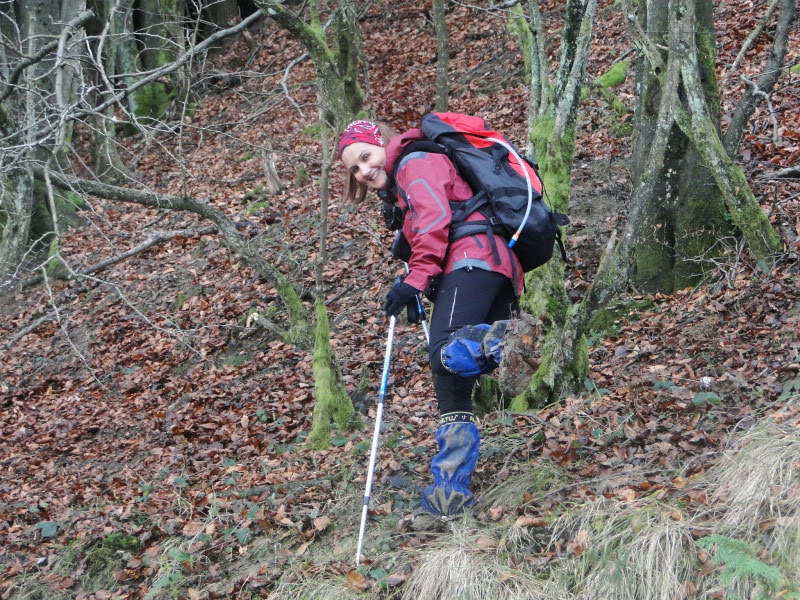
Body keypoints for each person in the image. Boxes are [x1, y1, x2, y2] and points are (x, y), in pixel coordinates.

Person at [338, 119, 521, 517]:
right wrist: (418, 280)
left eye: (366, 157)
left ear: (383, 144)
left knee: (442, 352)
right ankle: (448, 498)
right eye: (354, 168)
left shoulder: (416, 162)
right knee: (450, 386)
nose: (364, 171)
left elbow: (436, 222)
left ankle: (507, 341)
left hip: (474, 259)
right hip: (482, 265)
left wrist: (415, 280)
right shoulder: (402, 183)